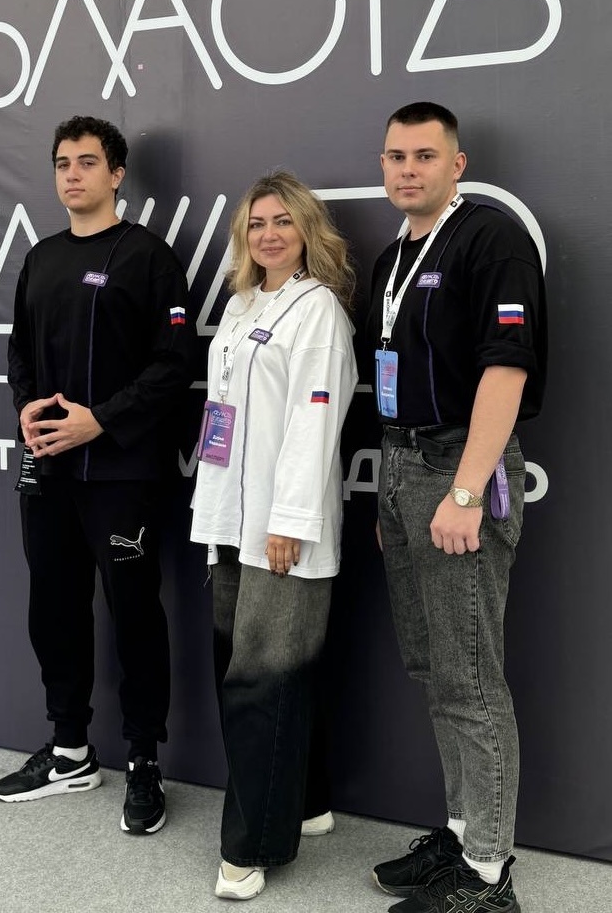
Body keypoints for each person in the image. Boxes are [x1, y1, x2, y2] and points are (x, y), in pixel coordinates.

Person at [366, 102, 547, 912]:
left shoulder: (488, 239)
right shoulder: (392, 258)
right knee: (434, 669)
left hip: (456, 469)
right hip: (401, 467)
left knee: (469, 680)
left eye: (424, 155)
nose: (407, 169)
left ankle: (488, 875)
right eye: (394, 156)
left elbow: (505, 368)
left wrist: (465, 492)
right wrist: (390, 496)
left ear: (456, 164)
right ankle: (461, 831)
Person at [0, 115, 195, 836]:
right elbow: (19, 352)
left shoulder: (148, 257)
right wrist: (26, 406)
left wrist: (101, 421)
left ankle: (143, 759)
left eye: (86, 162)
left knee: (135, 614)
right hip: (47, 469)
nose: (72, 174)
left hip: (122, 473)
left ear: (116, 174)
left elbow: (174, 365)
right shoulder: (41, 257)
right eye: (62, 163)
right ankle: (70, 751)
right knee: (53, 607)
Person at [191, 171, 358, 900]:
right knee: (260, 669)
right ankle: (307, 803)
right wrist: (212, 515)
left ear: (307, 231)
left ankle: (249, 848)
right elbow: (222, 416)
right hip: (230, 521)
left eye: (282, 221)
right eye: (256, 223)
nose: (268, 234)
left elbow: (313, 421)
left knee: (260, 683)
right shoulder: (240, 306)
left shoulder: (317, 310)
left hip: (282, 530)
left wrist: (288, 520)